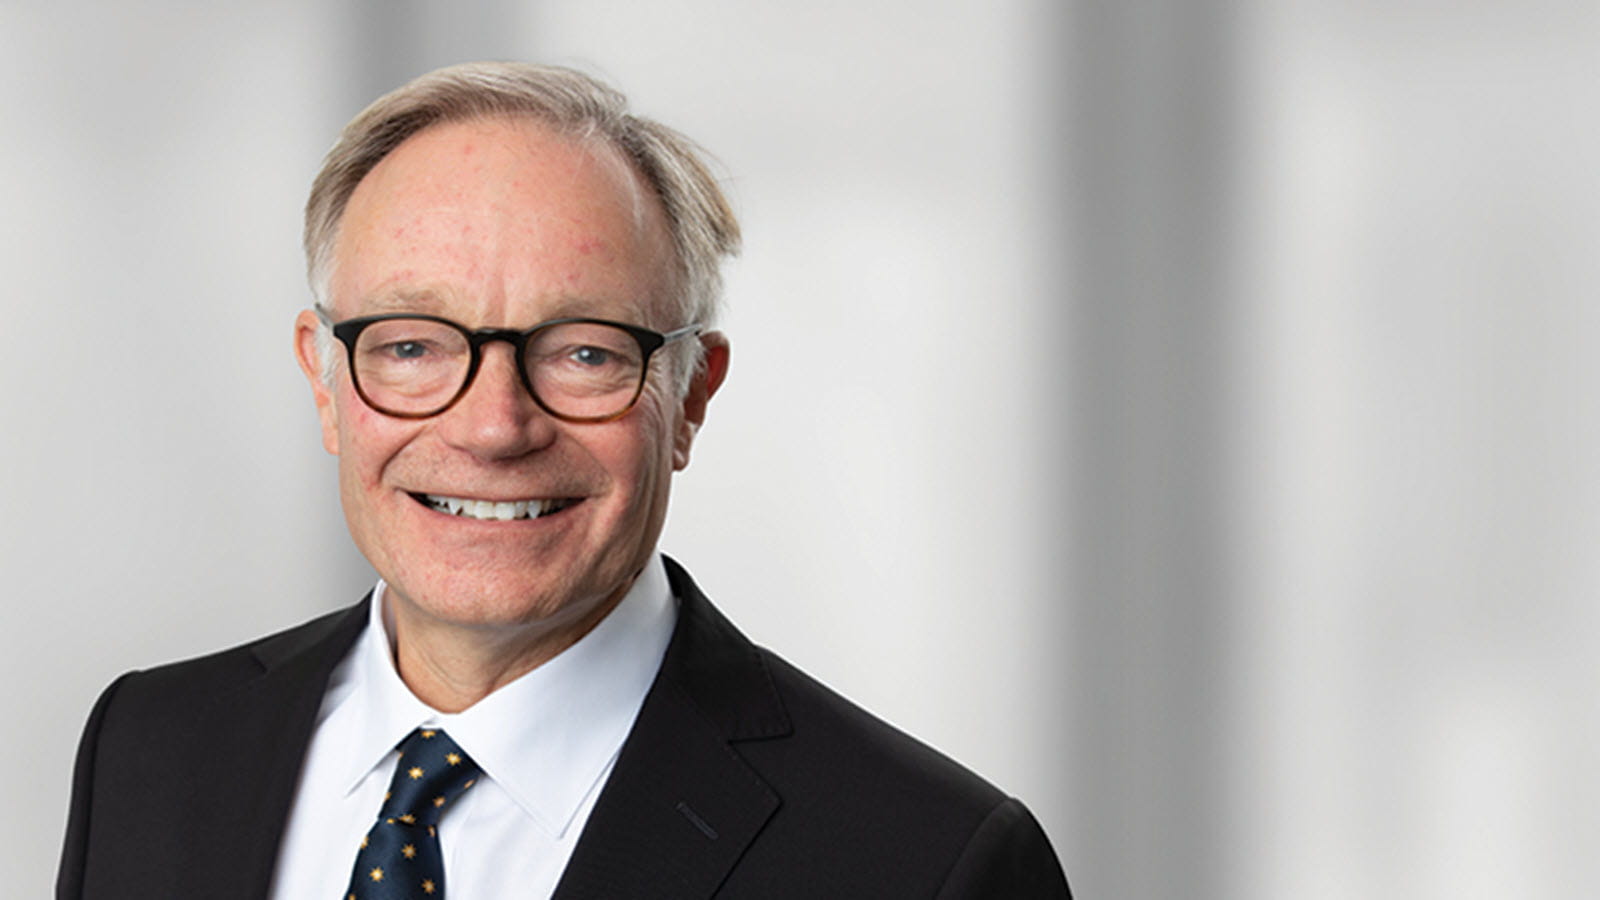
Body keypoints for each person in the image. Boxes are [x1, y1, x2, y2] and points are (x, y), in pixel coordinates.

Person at [57, 61, 1071, 899]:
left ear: (690, 397)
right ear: (326, 384)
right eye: (411, 347)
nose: (495, 427)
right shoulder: (152, 748)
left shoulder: (926, 865)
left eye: (584, 353)